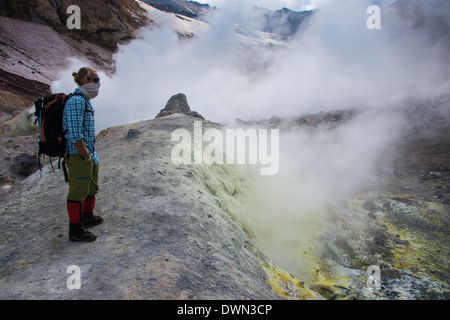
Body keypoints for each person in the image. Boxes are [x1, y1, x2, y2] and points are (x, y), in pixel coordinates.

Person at [63, 67, 103, 242]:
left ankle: (88, 216)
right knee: (78, 192)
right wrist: (85, 155)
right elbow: (73, 134)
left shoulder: (85, 101)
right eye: (95, 80)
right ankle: (76, 229)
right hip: (78, 155)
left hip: (88, 154)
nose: (98, 84)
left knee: (91, 187)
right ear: (85, 80)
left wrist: (90, 156)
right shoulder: (76, 101)